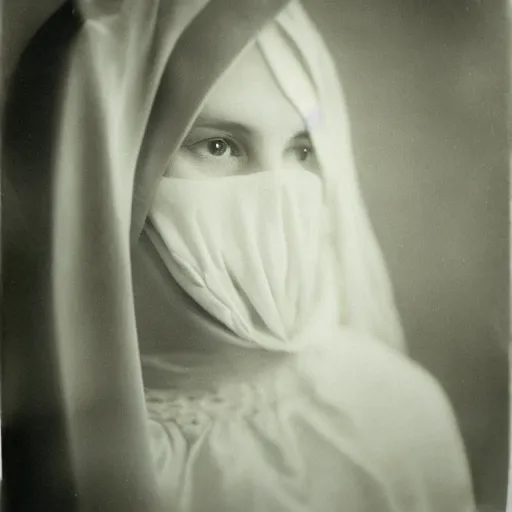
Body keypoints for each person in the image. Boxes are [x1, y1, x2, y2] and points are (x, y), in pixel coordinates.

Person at [2, 0, 476, 510]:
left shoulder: (394, 410)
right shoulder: (30, 458)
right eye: (219, 146)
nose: (279, 193)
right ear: (102, 172)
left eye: (302, 150)